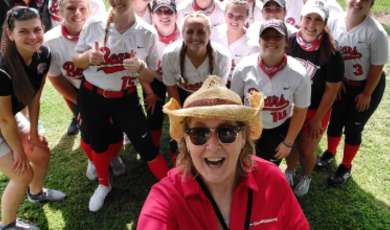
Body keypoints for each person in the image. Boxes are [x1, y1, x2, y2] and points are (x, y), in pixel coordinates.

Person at [137, 75, 310, 229]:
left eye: (226, 132)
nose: (212, 146)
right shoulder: (166, 198)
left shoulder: (272, 181)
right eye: (199, 133)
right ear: (186, 141)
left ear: (244, 136)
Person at [72, 0, 170, 212]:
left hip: (126, 98)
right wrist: (88, 57)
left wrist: (141, 68)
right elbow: (76, 60)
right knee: (98, 142)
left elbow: (151, 74)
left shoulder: (147, 31)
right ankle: (103, 184)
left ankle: (171, 190)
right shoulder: (94, 24)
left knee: (146, 146)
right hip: (92, 96)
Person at [44, 0, 126, 182]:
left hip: (106, 88)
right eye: (71, 8)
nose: (77, 14)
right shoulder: (50, 41)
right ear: (59, 10)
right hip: (78, 91)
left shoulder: (105, 32)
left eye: (82, 8)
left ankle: (113, 156)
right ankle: (92, 160)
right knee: (87, 127)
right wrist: (81, 104)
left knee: (114, 126)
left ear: (91, 11)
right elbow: (56, 79)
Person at [0, 7, 66, 230]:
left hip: (7, 117)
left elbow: (35, 97)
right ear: (10, 34)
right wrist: (18, 150)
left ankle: (36, 194)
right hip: (2, 120)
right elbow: (5, 119)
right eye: (23, 31)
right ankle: (7, 226)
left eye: (37, 29)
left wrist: (34, 131)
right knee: (22, 174)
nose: (32, 37)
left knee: (40, 150)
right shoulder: (2, 67)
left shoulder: (44, 55)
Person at [316, 0, 388, 186]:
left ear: (371, 4)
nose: (358, 2)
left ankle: (345, 166)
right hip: (342, 84)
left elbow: (377, 66)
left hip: (367, 86)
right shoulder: (334, 21)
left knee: (353, 127)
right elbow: (330, 54)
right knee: (335, 121)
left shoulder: (376, 32)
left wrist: (366, 93)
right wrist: (337, 80)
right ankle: (330, 153)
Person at [284, 0, 344, 196]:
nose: (312, 23)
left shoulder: (332, 53)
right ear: (300, 20)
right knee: (290, 142)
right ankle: (290, 171)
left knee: (308, 150)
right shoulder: (289, 42)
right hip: (292, 106)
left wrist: (317, 118)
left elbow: (331, 90)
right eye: (308, 17)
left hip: (315, 109)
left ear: (325, 23)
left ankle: (306, 176)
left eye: (318, 19)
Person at [231, 19, 311, 166]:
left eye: (278, 37)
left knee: (270, 168)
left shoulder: (299, 73)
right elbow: (233, 104)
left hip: (278, 128)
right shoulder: (244, 67)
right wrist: (238, 132)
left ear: (286, 41)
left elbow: (300, 110)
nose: (271, 41)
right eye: (266, 36)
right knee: (245, 165)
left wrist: (288, 142)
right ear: (259, 41)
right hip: (248, 128)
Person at [162, 11, 231, 165]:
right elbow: (171, 88)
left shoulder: (222, 57)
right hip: (182, 93)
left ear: (209, 33)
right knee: (180, 135)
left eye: (201, 32)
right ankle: (179, 166)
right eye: (190, 31)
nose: (195, 37)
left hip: (210, 96)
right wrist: (180, 118)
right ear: (181, 33)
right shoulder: (169, 55)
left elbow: (218, 92)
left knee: (207, 132)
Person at [142, 0, 181, 150]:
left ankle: (180, 141)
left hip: (179, 81)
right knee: (153, 114)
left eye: (169, 11)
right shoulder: (145, 34)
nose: (164, 15)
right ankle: (154, 145)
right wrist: (149, 93)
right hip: (154, 79)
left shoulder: (185, 34)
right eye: (159, 11)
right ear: (152, 15)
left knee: (181, 112)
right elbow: (141, 68)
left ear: (176, 15)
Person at [210, 0, 258, 87]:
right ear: (224, 14)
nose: (234, 20)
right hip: (213, 84)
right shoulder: (214, 33)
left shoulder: (253, 43)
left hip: (239, 86)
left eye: (240, 16)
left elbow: (252, 75)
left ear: (247, 17)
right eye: (230, 15)